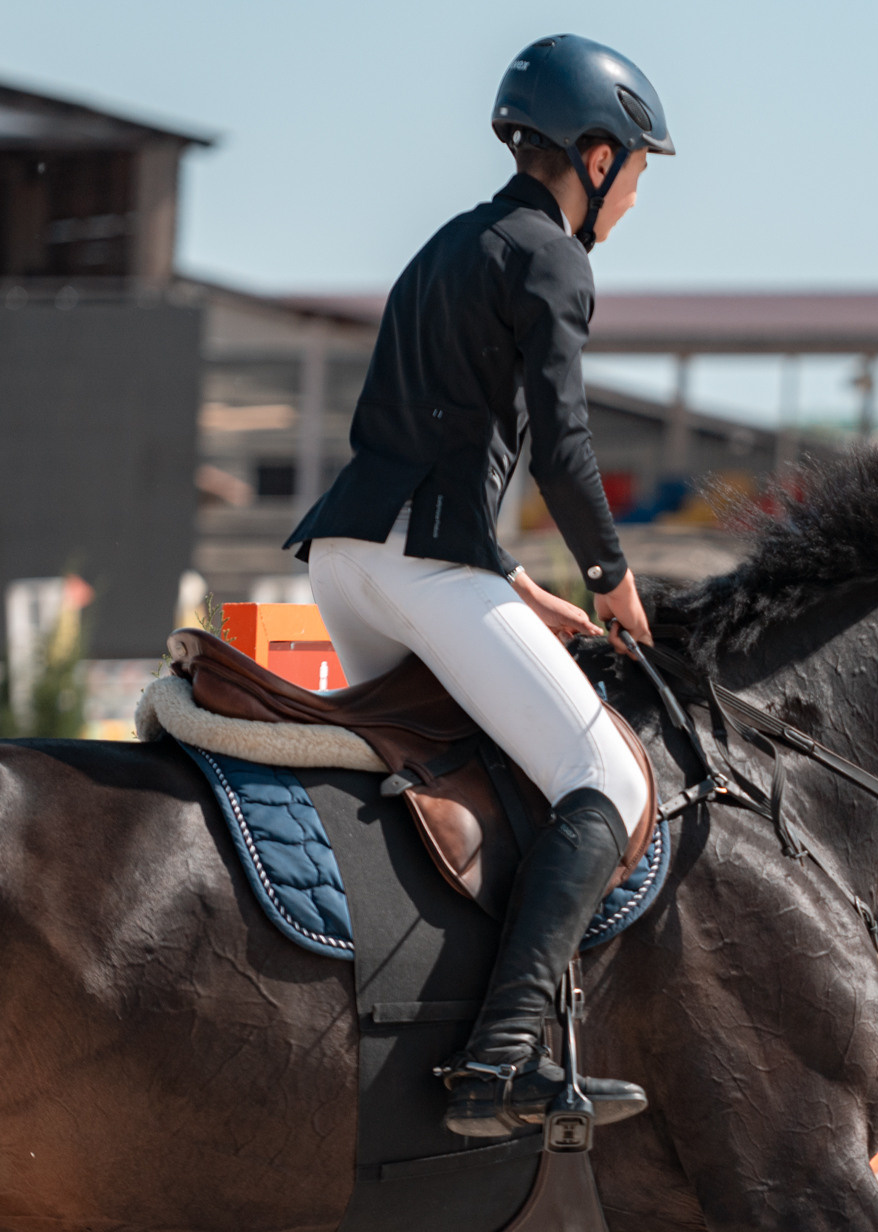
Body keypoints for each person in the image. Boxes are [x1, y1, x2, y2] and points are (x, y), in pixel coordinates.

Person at [284, 34, 673, 1138]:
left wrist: (512, 583)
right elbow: (564, 442)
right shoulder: (554, 257)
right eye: (636, 172)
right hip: (421, 560)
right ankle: (505, 1052)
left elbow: (418, 435)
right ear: (593, 157)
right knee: (604, 777)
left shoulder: (451, 242)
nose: (636, 196)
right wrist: (611, 583)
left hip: (351, 558)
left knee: (459, 771)